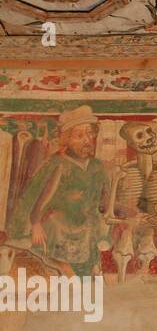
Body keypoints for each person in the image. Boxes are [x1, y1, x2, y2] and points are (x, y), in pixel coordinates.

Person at [8, 105, 109, 276]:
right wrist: (35, 223)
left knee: (94, 231)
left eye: (90, 134)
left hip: (85, 223)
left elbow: (103, 200)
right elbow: (38, 196)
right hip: (57, 222)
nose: (87, 140)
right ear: (67, 139)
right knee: (54, 229)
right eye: (79, 136)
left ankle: (91, 269)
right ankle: (62, 268)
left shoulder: (97, 166)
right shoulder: (57, 163)